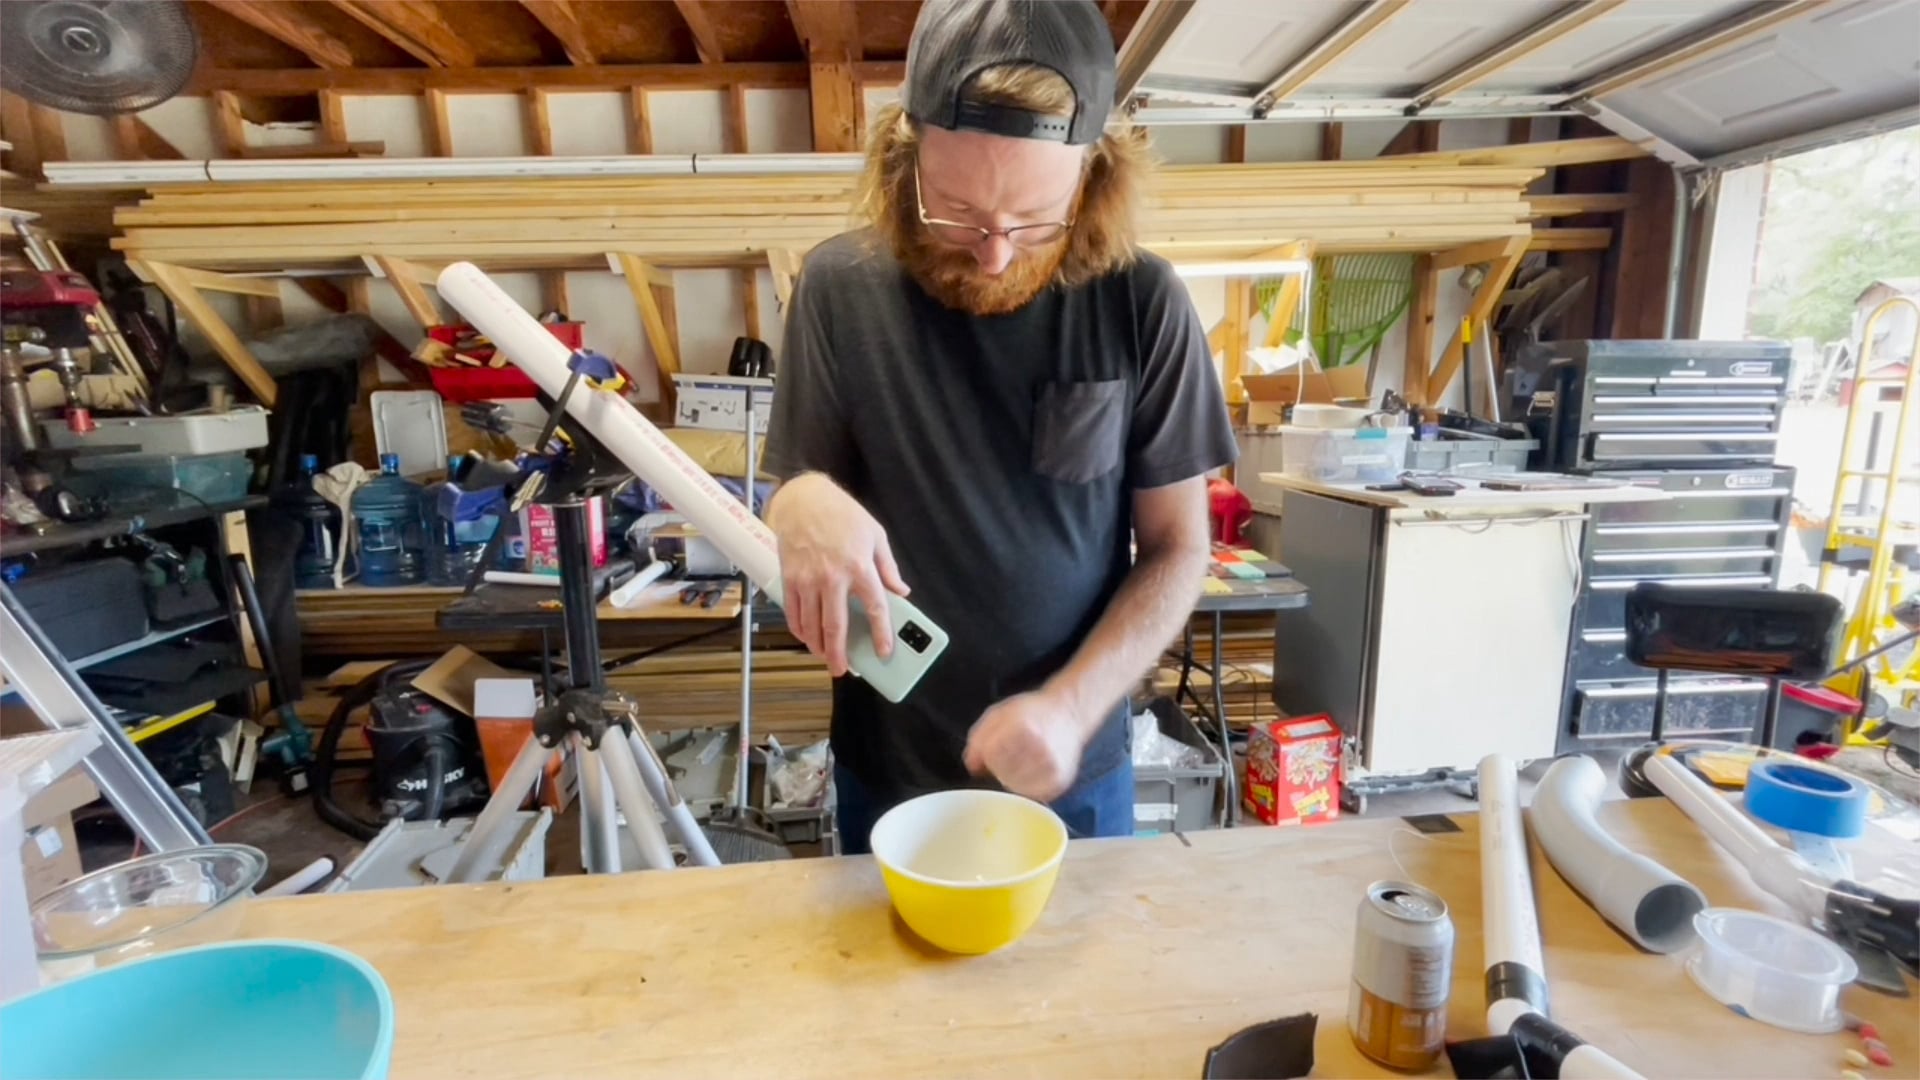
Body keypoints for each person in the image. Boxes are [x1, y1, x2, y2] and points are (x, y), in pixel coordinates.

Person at [762, 0, 1235, 852]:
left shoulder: (1143, 302)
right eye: (959, 214)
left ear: (1093, 179)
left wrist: (1072, 706)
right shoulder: (836, 289)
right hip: (889, 770)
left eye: (1033, 221)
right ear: (904, 163)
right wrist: (796, 503)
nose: (993, 254)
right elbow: (798, 486)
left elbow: (1178, 548)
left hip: (1074, 769)